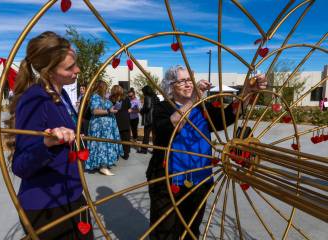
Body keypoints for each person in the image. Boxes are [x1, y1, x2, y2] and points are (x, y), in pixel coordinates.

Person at [146, 65, 267, 239]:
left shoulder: (202, 107)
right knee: (165, 231)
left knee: (191, 229)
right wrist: (193, 100)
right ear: (171, 85)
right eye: (182, 81)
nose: (188, 84)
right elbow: (168, 128)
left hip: (199, 180)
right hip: (167, 180)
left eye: (190, 80)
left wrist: (248, 90)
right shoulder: (163, 107)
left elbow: (227, 117)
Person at [5, 31, 93, 239]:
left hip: (70, 195)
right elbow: (21, 165)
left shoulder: (59, 94)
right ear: (48, 71)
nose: (77, 70)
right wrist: (46, 142)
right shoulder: (34, 99)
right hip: (47, 207)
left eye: (75, 64)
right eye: (69, 67)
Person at [85, 80, 123, 175]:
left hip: (106, 127)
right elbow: (94, 111)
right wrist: (109, 111)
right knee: (101, 145)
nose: (106, 89)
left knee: (105, 144)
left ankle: (103, 164)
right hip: (100, 127)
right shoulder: (95, 97)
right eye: (105, 87)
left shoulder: (102, 98)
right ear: (101, 88)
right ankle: (103, 166)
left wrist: (113, 109)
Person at [110, 85, 131, 160]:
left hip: (115, 119)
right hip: (125, 119)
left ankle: (116, 153)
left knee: (116, 137)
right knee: (126, 137)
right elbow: (129, 107)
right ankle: (126, 153)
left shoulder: (111, 99)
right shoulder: (126, 98)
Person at [138, 85, 160, 154]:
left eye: (143, 91)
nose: (143, 93)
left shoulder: (147, 97)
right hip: (155, 118)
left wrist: (141, 111)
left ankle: (144, 150)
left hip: (149, 119)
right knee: (155, 135)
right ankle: (156, 150)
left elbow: (147, 107)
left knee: (146, 135)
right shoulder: (155, 97)